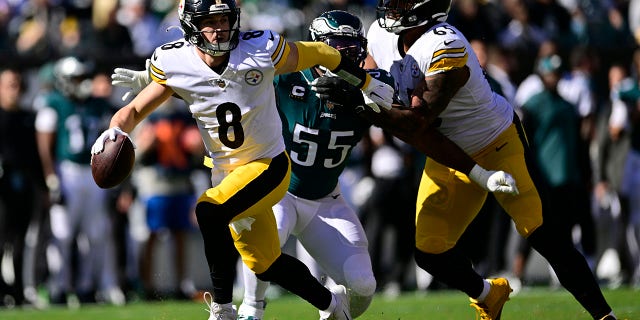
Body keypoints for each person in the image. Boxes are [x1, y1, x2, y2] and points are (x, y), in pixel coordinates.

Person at [90, 0, 397, 319]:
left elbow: (322, 53)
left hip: (269, 166)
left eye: (225, 19)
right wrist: (114, 131)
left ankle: (222, 309)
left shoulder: (261, 48)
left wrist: (366, 82)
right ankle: (333, 306)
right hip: (227, 173)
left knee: (209, 211)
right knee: (265, 262)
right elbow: (135, 111)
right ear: (190, 23)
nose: (220, 27)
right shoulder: (173, 60)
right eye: (211, 21)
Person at [321, 0, 617, 319]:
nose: (391, 6)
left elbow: (416, 123)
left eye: (402, 1)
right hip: (446, 151)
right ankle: (489, 295)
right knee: (430, 253)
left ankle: (606, 317)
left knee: (543, 234)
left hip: (495, 145)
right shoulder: (381, 33)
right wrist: (348, 81)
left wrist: (359, 103)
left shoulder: (445, 45)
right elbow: (370, 74)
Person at [35, 56, 125, 306]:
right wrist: (51, 178)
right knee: (62, 233)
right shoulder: (53, 103)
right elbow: (45, 145)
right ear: (63, 81)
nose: (82, 83)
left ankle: (86, 287)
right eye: (76, 78)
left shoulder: (97, 105)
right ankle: (58, 287)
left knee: (94, 234)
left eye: (82, 77)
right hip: (66, 172)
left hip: (91, 173)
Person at [0, 68, 46, 307]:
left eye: (17, 84)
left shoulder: (27, 117)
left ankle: (17, 291)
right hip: (3, 188)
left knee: (19, 241)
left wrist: (43, 187)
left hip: (24, 186)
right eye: (9, 84)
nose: (14, 89)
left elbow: (35, 157)